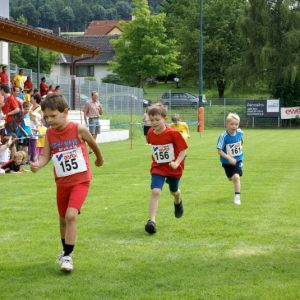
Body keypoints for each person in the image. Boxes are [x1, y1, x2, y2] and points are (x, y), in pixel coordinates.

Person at [30, 94, 104, 272]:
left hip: (81, 180)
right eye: (46, 117)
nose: (49, 120)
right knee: (63, 219)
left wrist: (99, 159)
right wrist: (37, 165)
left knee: (71, 215)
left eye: (53, 116)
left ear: (65, 112)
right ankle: (65, 251)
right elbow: (45, 156)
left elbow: (93, 144)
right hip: (62, 183)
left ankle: (68, 256)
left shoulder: (78, 129)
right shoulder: (49, 133)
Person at [145, 103, 188, 234]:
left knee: (174, 191)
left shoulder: (173, 134)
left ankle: (178, 200)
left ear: (165, 119)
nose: (154, 123)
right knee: (155, 191)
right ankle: (151, 221)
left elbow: (183, 151)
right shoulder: (150, 133)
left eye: (157, 120)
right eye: (151, 120)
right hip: (158, 167)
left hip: (174, 168)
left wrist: (176, 162)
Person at [216, 113, 244, 205]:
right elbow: (219, 151)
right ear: (226, 124)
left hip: (238, 159)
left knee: (236, 177)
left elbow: (241, 140)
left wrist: (239, 148)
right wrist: (229, 158)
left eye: (236, 124)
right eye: (231, 124)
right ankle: (233, 177)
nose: (234, 126)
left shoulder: (240, 132)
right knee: (230, 178)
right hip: (226, 162)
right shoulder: (223, 136)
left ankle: (237, 197)